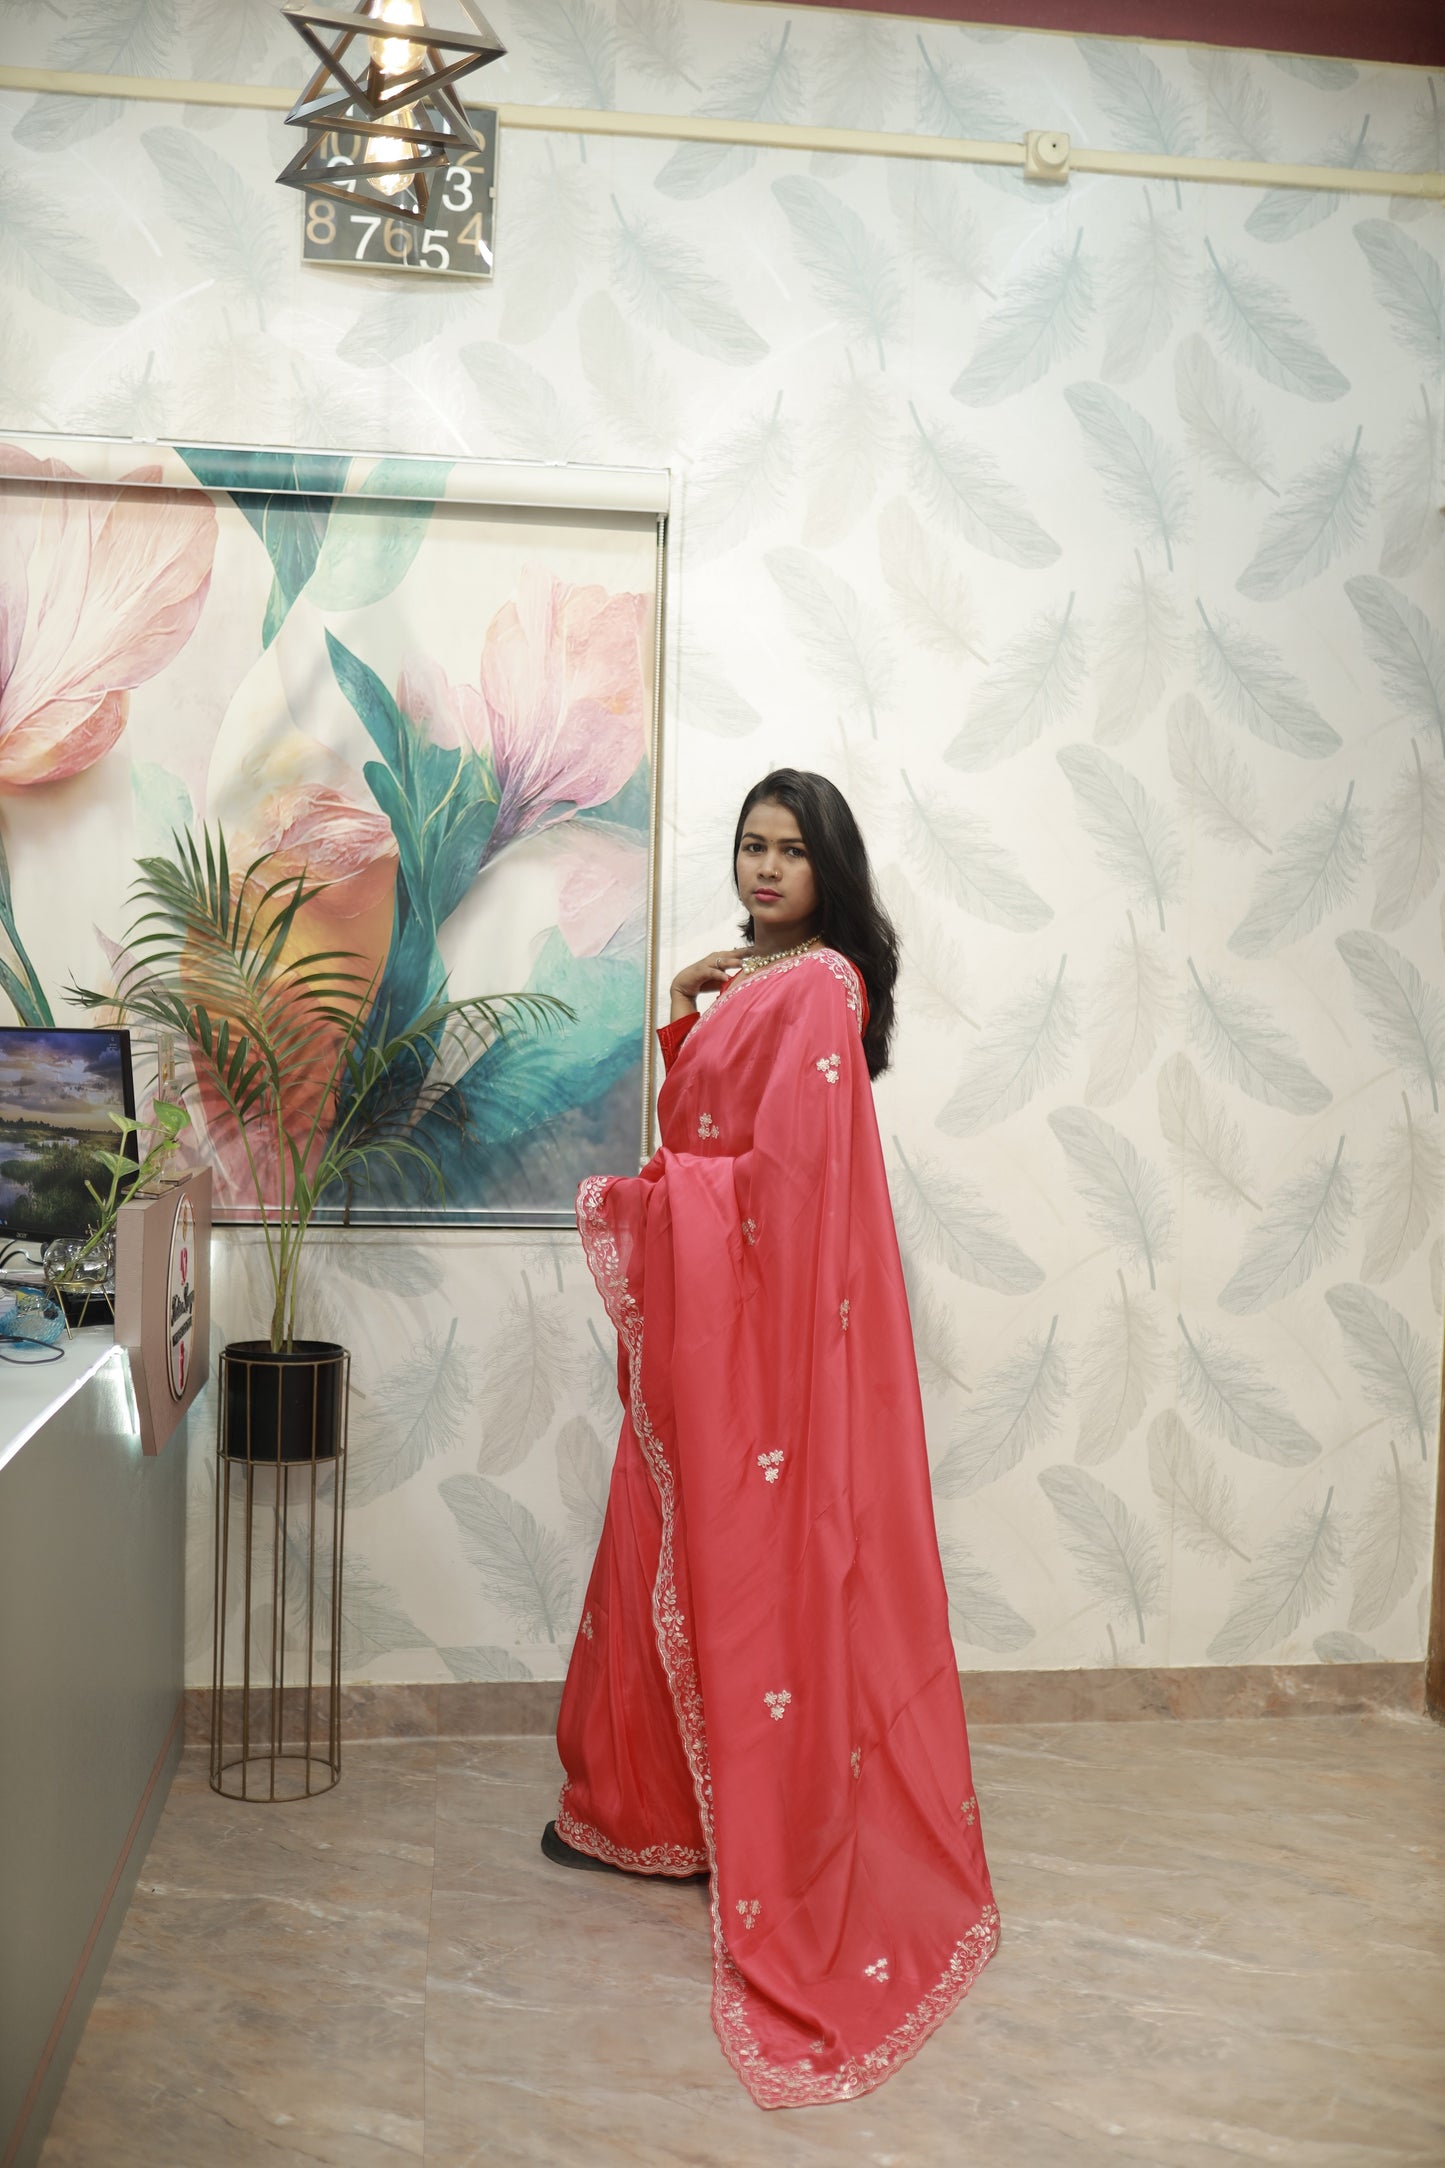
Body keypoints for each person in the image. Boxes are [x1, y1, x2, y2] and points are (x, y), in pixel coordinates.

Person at [542, 768, 998, 2109]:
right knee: (655, 1556)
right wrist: (692, 1007)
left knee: (733, 1575)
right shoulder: (765, 982)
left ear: (829, 869)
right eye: (749, 845)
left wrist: (659, 1197)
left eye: (789, 852)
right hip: (704, 1346)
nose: (761, 868)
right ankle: (650, 1816)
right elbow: (722, 1127)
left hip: (750, 1349)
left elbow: (782, 1191)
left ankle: (712, 1824)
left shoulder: (816, 989)